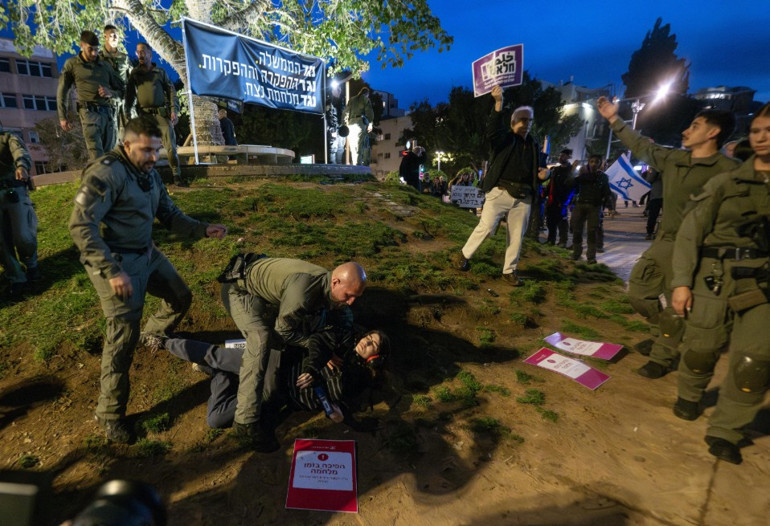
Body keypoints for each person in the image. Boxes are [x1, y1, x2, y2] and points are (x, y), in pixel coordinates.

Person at [68, 116, 228, 443]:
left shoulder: (148, 173)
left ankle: (153, 332)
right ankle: (110, 413)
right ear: (126, 145)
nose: (154, 157)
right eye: (146, 150)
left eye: (157, 150)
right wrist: (111, 271)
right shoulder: (106, 173)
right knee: (122, 339)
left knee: (181, 296)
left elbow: (168, 214)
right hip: (116, 262)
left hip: (147, 252)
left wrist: (202, 229)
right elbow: (80, 227)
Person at [596, 96, 738, 379]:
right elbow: (640, 145)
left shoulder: (729, 172)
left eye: (695, 126)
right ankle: (665, 333)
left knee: (677, 306)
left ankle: (663, 356)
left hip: (696, 252)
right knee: (638, 294)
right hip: (664, 241)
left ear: (713, 133)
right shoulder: (674, 159)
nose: (686, 131)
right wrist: (614, 118)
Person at [670, 103, 770, 464]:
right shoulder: (726, 183)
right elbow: (690, 233)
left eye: (768, 131)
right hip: (715, 277)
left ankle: (727, 429)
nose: (762, 137)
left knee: (753, 362)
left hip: (762, 285)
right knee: (701, 348)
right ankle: (690, 395)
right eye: (757, 130)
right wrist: (681, 282)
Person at [219, 256, 367, 451]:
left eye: (356, 296)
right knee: (261, 340)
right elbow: (284, 332)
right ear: (335, 282)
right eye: (348, 295)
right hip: (239, 290)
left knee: (306, 324)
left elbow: (341, 317)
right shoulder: (303, 292)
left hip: (263, 290)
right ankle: (245, 424)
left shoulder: (326, 284)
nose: (351, 301)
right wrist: (315, 346)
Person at [149, 329, 389, 431]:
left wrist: (340, 415)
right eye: (367, 338)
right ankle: (165, 341)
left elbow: (340, 393)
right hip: (274, 365)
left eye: (372, 345)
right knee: (216, 354)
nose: (365, 343)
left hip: (273, 394)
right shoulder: (342, 340)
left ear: (375, 357)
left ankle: (220, 374)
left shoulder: (358, 377)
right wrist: (317, 363)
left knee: (216, 419)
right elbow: (317, 340)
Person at [454, 85, 548, 286]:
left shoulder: (533, 144)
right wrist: (498, 103)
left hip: (523, 197)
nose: (527, 124)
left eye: (529, 120)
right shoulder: (505, 139)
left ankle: (509, 271)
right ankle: (463, 255)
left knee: (516, 237)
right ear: (513, 122)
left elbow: (534, 171)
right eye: (523, 120)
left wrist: (542, 176)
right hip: (500, 192)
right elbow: (492, 131)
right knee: (486, 227)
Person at [57, 30, 125, 161]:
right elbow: (62, 91)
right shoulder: (72, 64)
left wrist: (111, 93)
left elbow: (122, 91)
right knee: (97, 158)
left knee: (111, 157)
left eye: (96, 49)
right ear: (81, 45)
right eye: (90, 49)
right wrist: (62, 116)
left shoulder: (105, 66)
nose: (94, 53)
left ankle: (107, 181)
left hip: (109, 116)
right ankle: (98, 179)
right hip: (89, 114)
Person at [125, 43, 184, 186]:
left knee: (171, 147)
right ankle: (148, 179)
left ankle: (177, 175)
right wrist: (127, 112)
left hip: (161, 115)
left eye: (143, 51)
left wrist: (173, 110)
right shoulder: (135, 74)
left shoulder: (160, 72)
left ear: (150, 54)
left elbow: (171, 91)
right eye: (138, 52)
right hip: (144, 117)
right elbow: (130, 95)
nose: (140, 54)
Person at [0, 130, 38, 298]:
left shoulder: (7, 137)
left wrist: (21, 165)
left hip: (13, 190)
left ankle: (31, 264)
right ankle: (16, 277)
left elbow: (20, 151)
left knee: (23, 235)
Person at [570, 154, 611, 263]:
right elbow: (570, 184)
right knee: (577, 230)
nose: (593, 164)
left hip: (594, 207)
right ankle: (576, 253)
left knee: (592, 231)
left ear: (599, 164)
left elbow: (606, 192)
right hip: (580, 205)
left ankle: (591, 257)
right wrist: (573, 169)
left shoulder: (603, 177)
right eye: (591, 161)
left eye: (596, 162)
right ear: (588, 162)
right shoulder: (582, 176)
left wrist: (609, 207)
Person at [99, 25, 132, 145]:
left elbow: (132, 80)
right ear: (105, 36)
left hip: (123, 103)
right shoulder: (98, 59)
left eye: (117, 36)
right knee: (110, 141)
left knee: (128, 138)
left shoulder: (124, 58)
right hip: (107, 104)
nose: (114, 37)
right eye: (112, 35)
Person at [545, 149, 575, 247]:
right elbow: (551, 184)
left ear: (569, 157)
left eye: (564, 156)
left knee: (562, 221)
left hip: (562, 200)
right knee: (550, 221)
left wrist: (566, 201)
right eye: (560, 155)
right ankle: (551, 239)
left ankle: (563, 241)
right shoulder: (556, 170)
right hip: (552, 199)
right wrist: (544, 193)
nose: (561, 157)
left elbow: (572, 188)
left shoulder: (571, 170)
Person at [343, 87, 374, 165]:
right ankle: (358, 165)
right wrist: (370, 123)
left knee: (353, 146)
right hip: (360, 122)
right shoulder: (365, 99)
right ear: (367, 94)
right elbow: (369, 113)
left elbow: (346, 112)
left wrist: (345, 123)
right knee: (360, 145)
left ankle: (354, 164)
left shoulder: (351, 99)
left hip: (350, 123)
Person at [325, 83, 346, 164]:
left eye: (339, 90)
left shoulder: (341, 102)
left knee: (341, 149)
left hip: (341, 129)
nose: (338, 92)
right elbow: (328, 116)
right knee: (333, 149)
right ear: (333, 91)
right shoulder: (329, 102)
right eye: (337, 90)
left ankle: (339, 170)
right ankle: (333, 172)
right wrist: (331, 129)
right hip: (333, 129)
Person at [643, 169, 663, 240]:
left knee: (653, 216)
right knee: (668, 216)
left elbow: (649, 180)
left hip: (656, 196)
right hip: (667, 195)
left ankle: (650, 233)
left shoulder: (655, 168)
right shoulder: (671, 166)